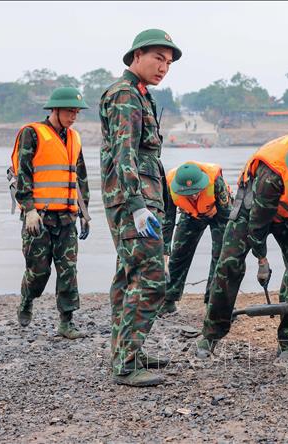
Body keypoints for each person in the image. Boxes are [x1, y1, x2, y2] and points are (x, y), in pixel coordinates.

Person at [196, 130, 288, 362]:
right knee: (229, 266)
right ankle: (210, 336)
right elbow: (258, 224)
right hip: (252, 210)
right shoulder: (272, 174)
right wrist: (262, 260)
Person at [99, 29, 182, 387]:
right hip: (134, 200)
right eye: (157, 58)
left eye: (168, 62)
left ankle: (127, 351)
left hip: (142, 198)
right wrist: (136, 205)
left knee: (129, 276)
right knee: (151, 280)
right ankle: (126, 362)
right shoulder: (125, 95)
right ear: (136, 56)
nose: (163, 67)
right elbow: (124, 151)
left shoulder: (140, 95)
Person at [9, 87, 91, 339]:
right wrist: (29, 208)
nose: (73, 115)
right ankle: (27, 299)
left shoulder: (75, 138)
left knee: (68, 269)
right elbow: (23, 173)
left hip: (67, 217)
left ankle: (66, 322)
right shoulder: (32, 133)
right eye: (69, 111)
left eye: (77, 111)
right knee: (39, 270)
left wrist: (85, 212)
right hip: (39, 218)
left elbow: (80, 177)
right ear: (54, 110)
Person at [158, 161, 233, 315]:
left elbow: (227, 218)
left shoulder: (215, 181)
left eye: (196, 191)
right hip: (191, 214)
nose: (193, 195)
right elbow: (168, 220)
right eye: (188, 193)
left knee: (220, 255)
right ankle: (168, 300)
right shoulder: (169, 184)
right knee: (178, 254)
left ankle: (214, 303)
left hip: (218, 212)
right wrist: (164, 253)